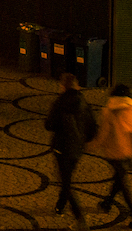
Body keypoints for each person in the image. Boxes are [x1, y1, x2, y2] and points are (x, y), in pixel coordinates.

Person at [45, 73, 98, 231]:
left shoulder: (60, 103)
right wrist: (86, 140)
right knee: (66, 179)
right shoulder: (83, 102)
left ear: (63, 86)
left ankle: (80, 218)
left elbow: (49, 125)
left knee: (66, 183)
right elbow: (93, 127)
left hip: (62, 148)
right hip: (77, 149)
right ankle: (60, 205)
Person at [89, 83, 132, 228]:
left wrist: (92, 145)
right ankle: (107, 202)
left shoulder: (109, 112)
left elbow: (103, 133)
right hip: (130, 151)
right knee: (119, 179)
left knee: (123, 185)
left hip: (115, 152)